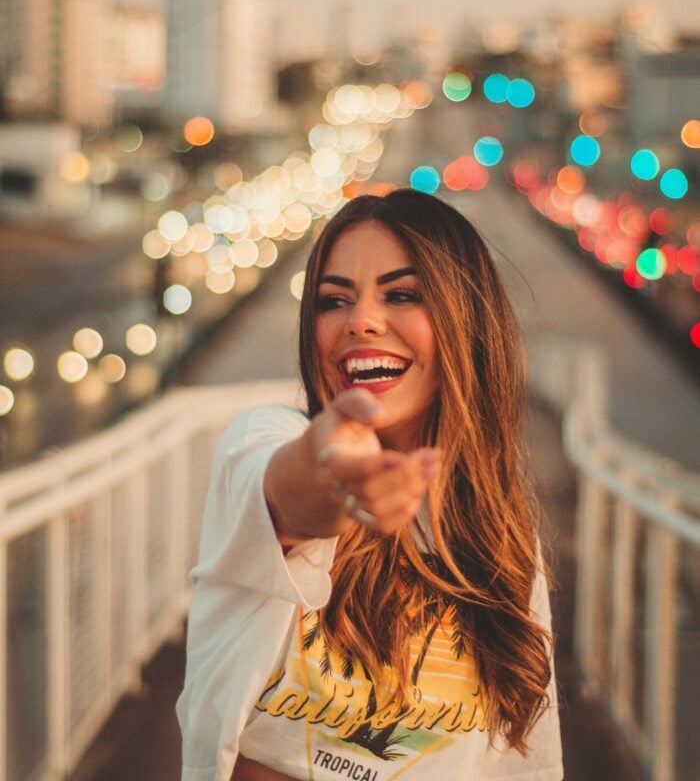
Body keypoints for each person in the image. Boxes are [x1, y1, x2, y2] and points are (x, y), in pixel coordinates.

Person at [177, 188, 563, 781]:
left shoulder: (500, 534)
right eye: (334, 301)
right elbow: (295, 490)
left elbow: (527, 761)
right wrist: (338, 472)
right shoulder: (262, 442)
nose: (360, 320)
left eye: (402, 294)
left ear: (465, 322)